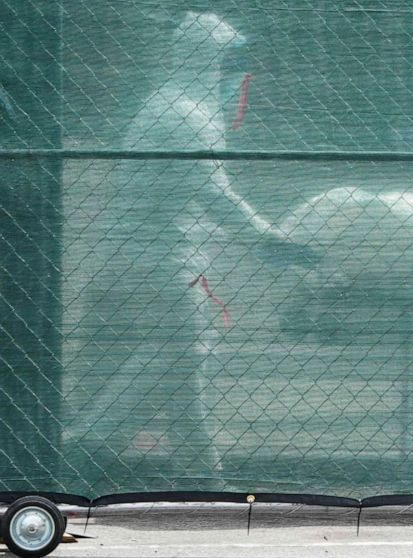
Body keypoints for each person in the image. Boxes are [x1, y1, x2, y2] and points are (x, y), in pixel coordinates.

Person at [73, 12, 313, 494]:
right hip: (162, 260)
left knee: (184, 370)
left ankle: (203, 473)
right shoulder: (189, 116)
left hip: (136, 253)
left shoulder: (162, 104)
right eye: (233, 67)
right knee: (180, 353)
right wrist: (269, 237)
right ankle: (88, 440)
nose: (239, 80)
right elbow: (214, 193)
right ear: (212, 62)